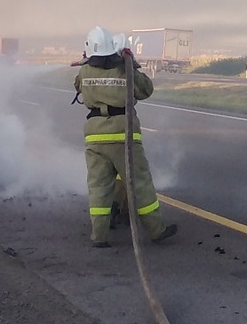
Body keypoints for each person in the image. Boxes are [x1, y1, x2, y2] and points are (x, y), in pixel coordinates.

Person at [74, 25, 177, 249]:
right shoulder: (125, 69)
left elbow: (78, 86)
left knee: (99, 187)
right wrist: (131, 63)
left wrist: (87, 64)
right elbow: (146, 89)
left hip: (95, 135)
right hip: (124, 134)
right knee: (139, 184)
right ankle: (156, 230)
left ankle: (99, 237)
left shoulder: (84, 72)